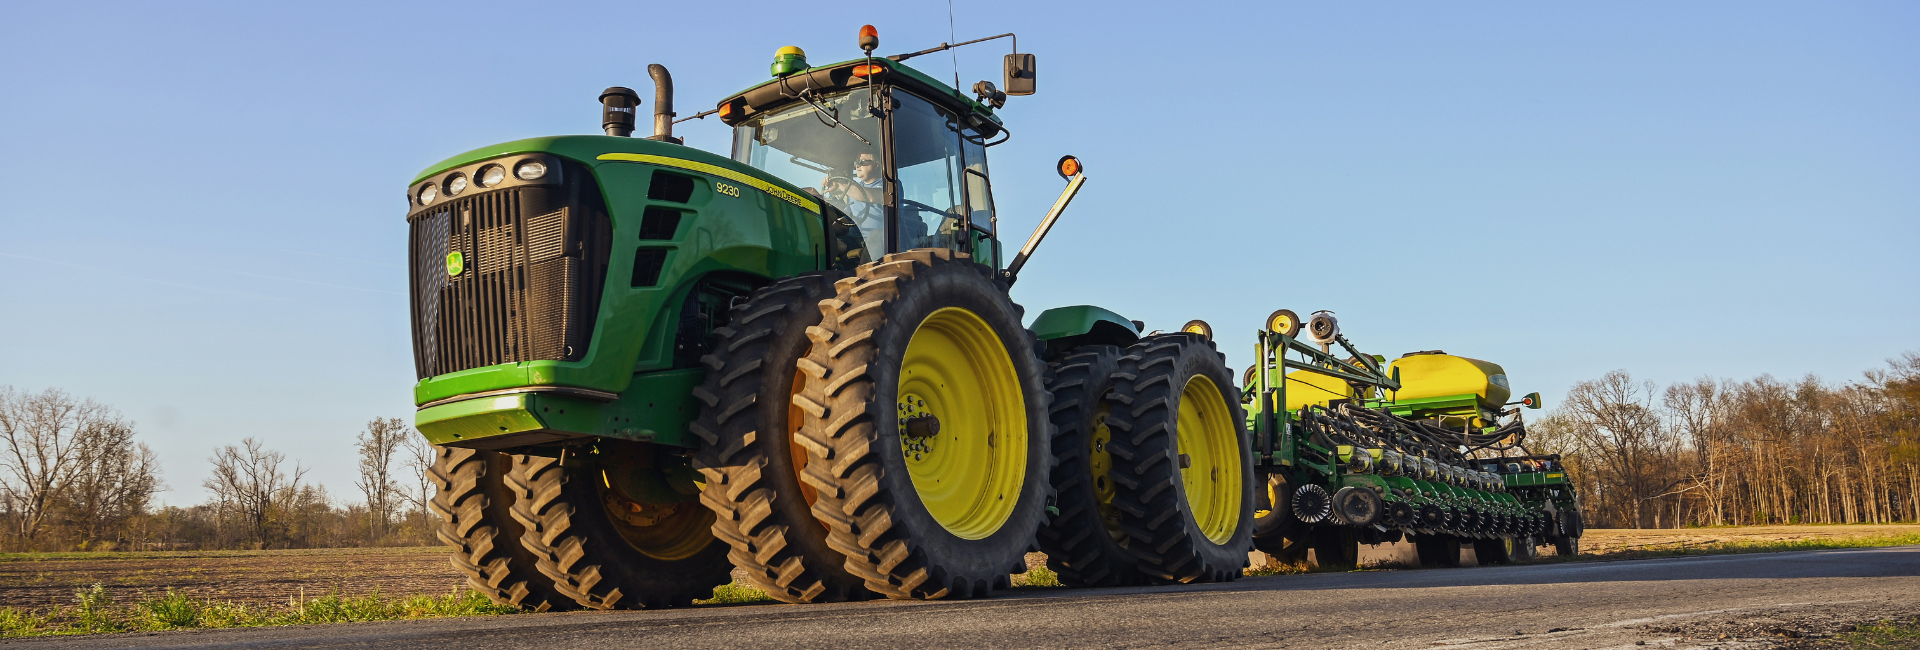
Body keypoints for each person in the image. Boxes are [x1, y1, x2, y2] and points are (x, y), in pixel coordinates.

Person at [825, 153, 884, 251]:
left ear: (876, 164)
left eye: (862, 162)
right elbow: (847, 220)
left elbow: (872, 197)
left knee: (875, 235)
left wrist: (840, 185)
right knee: (827, 243)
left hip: (883, 241)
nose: (857, 165)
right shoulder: (855, 189)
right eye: (856, 162)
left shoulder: (889, 184)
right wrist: (825, 230)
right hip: (855, 240)